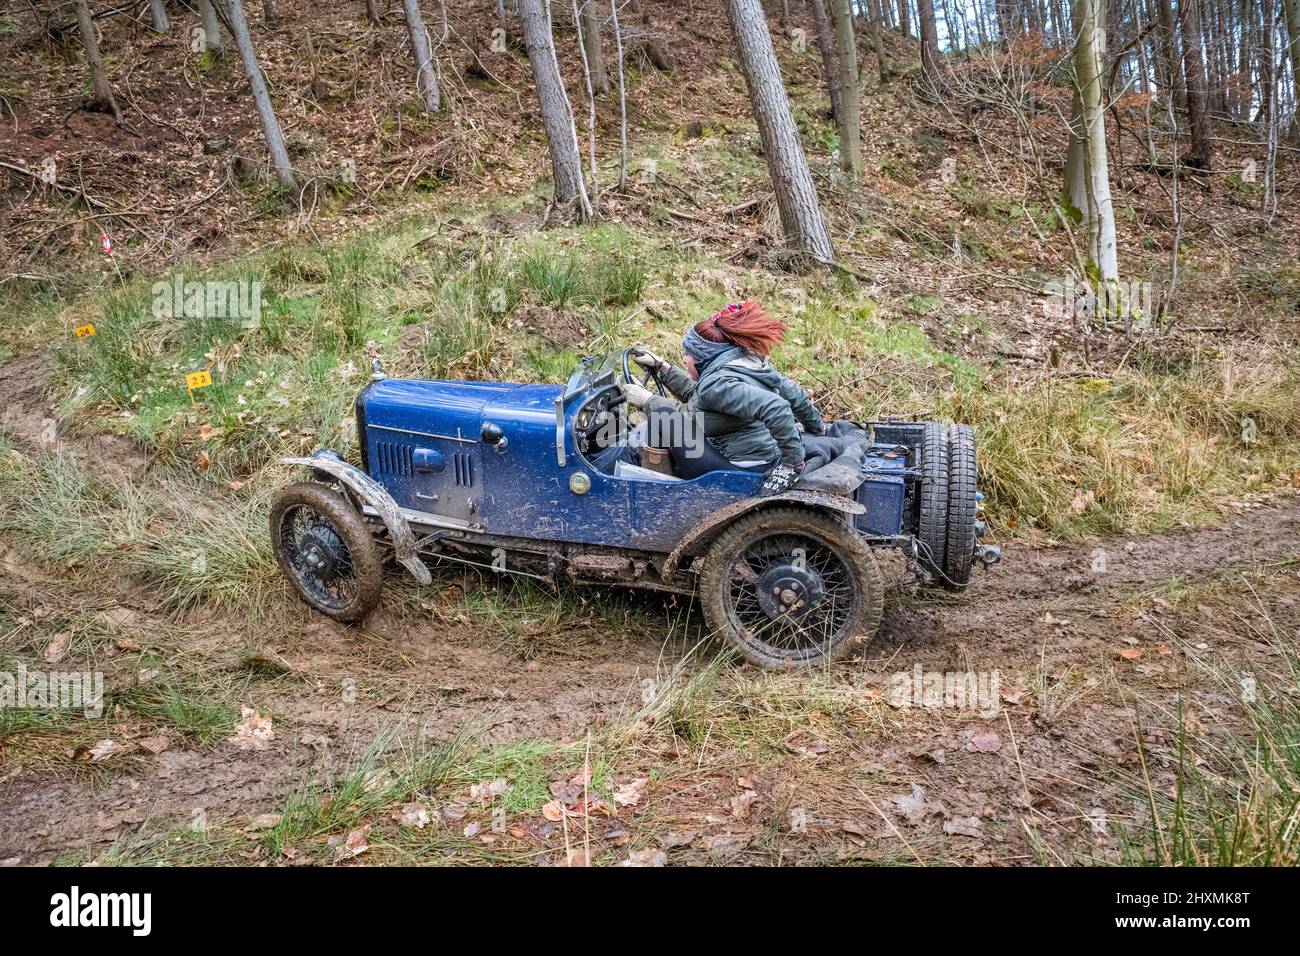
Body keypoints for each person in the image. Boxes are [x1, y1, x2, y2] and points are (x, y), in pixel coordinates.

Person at [624, 300, 830, 494]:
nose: (684, 360)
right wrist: (663, 368)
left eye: (686, 354)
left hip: (739, 469)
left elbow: (776, 407)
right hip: (761, 458)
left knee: (663, 418)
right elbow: (796, 396)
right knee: (665, 415)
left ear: (700, 358)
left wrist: (647, 401)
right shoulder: (745, 366)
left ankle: (653, 497)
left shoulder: (717, 384)